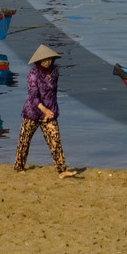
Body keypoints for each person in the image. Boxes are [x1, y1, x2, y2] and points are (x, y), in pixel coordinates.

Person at [13, 44, 77, 177]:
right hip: (33, 112)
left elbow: (52, 93)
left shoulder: (55, 72)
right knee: (24, 141)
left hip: (50, 112)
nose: (47, 62)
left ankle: (62, 170)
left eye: (49, 59)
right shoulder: (33, 74)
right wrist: (44, 109)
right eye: (44, 59)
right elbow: (33, 96)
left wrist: (50, 111)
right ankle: (19, 167)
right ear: (39, 61)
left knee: (55, 141)